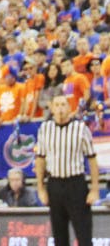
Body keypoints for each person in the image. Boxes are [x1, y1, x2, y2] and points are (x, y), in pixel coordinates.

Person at [35, 94, 99, 246]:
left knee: (83, 234)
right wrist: (41, 188)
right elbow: (40, 159)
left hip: (76, 183)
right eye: (56, 105)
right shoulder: (45, 128)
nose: (60, 109)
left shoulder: (80, 128)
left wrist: (95, 189)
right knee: (59, 236)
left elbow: (92, 159)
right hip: (54, 184)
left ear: (69, 108)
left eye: (63, 105)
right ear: (52, 108)